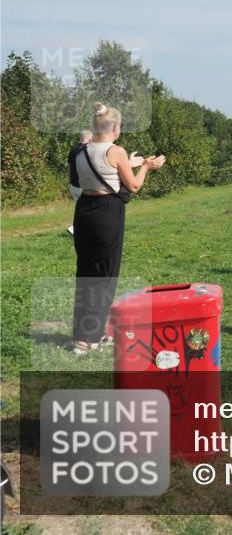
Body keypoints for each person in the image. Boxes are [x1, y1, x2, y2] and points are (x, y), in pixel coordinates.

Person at [72, 103, 165, 355]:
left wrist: (129, 162)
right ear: (115, 127)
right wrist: (146, 166)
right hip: (107, 215)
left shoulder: (81, 150)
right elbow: (133, 186)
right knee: (105, 275)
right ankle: (88, 340)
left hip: (84, 212)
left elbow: (99, 174)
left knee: (86, 273)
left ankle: (85, 334)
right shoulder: (116, 151)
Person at [66, 130, 93, 235]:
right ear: (89, 139)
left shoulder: (73, 150)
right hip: (84, 186)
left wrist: (69, 181)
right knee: (89, 209)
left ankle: (82, 230)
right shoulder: (87, 150)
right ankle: (74, 228)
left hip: (73, 185)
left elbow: (69, 168)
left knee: (79, 208)